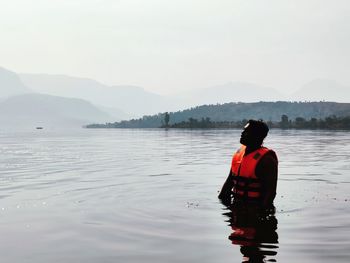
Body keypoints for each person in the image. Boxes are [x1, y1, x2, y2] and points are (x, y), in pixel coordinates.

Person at [218, 119, 278, 207]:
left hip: (254, 209)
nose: (242, 133)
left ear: (256, 136)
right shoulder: (238, 155)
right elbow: (229, 182)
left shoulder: (267, 160)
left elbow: (270, 193)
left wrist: (261, 214)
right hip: (236, 207)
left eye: (246, 131)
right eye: (243, 130)